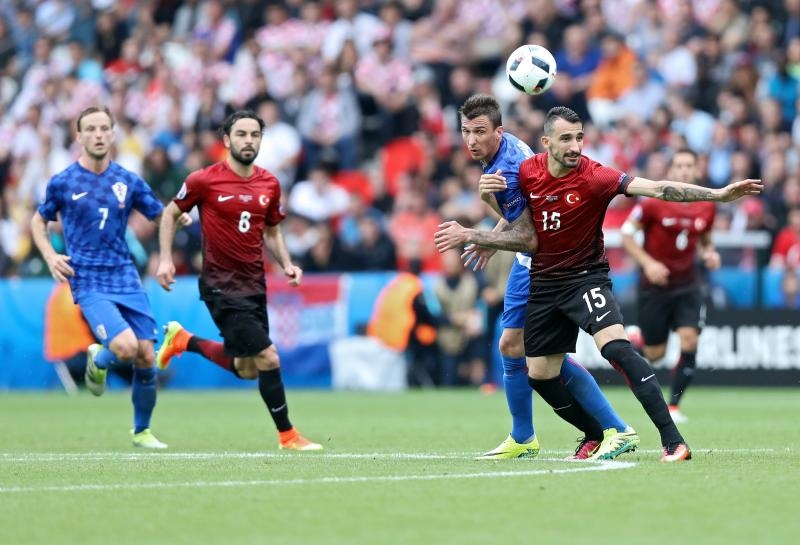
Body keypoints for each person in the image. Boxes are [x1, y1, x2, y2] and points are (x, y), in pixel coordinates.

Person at [435, 106, 762, 462]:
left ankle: (672, 440)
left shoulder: (596, 176)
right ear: (546, 143)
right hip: (544, 282)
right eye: (566, 139)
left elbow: (659, 188)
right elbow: (525, 227)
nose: (575, 146)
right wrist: (489, 201)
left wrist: (717, 194)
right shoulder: (527, 172)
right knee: (540, 374)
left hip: (584, 278)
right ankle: (596, 433)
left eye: (579, 138)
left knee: (617, 349)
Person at [456, 94, 636, 461]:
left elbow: (529, 238)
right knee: (516, 347)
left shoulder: (502, 172)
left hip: (541, 262)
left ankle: (613, 428)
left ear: (498, 131)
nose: (471, 140)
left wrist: (477, 233)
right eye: (465, 131)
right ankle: (528, 436)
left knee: (534, 353)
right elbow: (524, 212)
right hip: (534, 257)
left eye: (479, 132)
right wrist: (497, 227)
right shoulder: (506, 150)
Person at [155, 110, 322, 451]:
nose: (249, 141)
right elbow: (170, 214)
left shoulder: (270, 184)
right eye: (242, 134)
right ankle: (288, 435)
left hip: (254, 285)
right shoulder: (204, 180)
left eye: (255, 135)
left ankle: (183, 340)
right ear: (227, 141)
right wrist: (164, 258)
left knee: (248, 369)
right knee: (269, 357)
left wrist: (287, 264)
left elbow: (272, 232)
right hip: (220, 285)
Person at [31, 105, 187, 449]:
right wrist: (50, 255)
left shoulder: (127, 180)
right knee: (127, 347)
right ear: (79, 136)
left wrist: (176, 221)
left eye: (104, 128)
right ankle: (100, 358)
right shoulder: (64, 182)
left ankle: (142, 430)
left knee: (147, 356)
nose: (99, 134)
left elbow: (160, 214)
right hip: (88, 279)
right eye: (91, 129)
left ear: (113, 134)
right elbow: (38, 221)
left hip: (126, 277)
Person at [621, 149, 719, 424]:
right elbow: (627, 235)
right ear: (671, 171)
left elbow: (705, 240)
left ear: (697, 170)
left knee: (690, 339)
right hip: (655, 287)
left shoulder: (706, 204)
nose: (685, 171)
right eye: (679, 166)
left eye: (690, 166)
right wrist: (648, 264)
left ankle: (673, 406)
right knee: (656, 354)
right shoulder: (653, 201)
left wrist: (709, 253)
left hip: (688, 285)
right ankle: (639, 340)